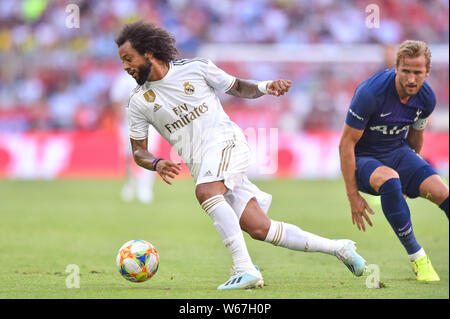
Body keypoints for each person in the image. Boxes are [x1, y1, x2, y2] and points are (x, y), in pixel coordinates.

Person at [115, 21, 366, 290]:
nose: (126, 67)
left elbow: (235, 87)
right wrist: (155, 162)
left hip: (226, 143)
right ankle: (339, 248)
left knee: (206, 192)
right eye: (122, 61)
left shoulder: (195, 68)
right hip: (203, 164)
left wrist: (265, 86)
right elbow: (138, 150)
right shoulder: (138, 102)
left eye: (129, 59)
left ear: (149, 53)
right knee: (260, 228)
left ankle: (245, 268)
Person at [339, 40, 449, 282]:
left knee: (444, 193)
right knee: (390, 179)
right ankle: (418, 258)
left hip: (398, 153)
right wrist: (353, 195)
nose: (411, 79)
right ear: (395, 67)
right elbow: (346, 144)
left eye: (417, 72)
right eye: (406, 71)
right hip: (364, 159)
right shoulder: (370, 94)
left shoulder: (427, 99)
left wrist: (413, 176)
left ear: (427, 72)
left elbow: (416, 136)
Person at [110, 71, 159, 203]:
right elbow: (116, 99)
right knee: (128, 155)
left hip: (149, 122)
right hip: (129, 122)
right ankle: (131, 182)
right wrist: (123, 119)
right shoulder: (123, 79)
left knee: (149, 153)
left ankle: (145, 187)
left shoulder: (151, 77)